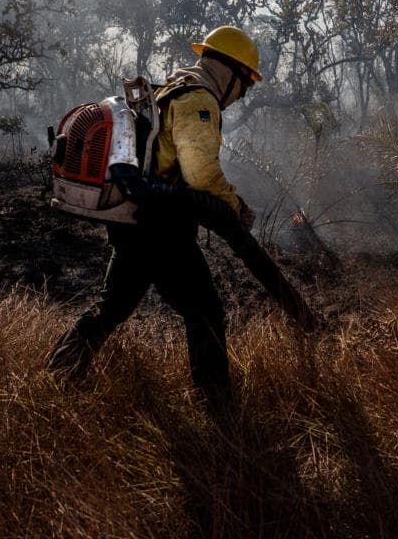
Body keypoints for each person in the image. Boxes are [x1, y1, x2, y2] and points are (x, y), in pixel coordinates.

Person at [46, 26, 261, 411]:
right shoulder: (199, 100)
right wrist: (237, 208)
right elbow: (202, 177)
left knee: (112, 306)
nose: (243, 94)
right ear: (232, 73)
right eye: (246, 84)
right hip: (163, 226)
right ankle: (219, 412)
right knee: (205, 313)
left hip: (133, 221)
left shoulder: (169, 89)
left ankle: (55, 376)